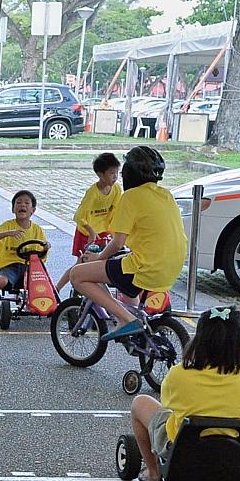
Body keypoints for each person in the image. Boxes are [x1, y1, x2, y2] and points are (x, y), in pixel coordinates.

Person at [127, 306, 240, 481]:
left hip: (183, 451)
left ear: (199, 341)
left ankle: (154, 473)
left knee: (140, 403)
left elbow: (167, 404)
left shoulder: (179, 374)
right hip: (236, 450)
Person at [61, 146, 185, 340]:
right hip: (172, 266)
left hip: (145, 266)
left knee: (78, 275)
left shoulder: (130, 197)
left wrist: (98, 258)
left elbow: (118, 243)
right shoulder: (166, 194)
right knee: (126, 286)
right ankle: (135, 330)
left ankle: (127, 319)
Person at [0, 190, 47, 318]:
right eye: (19, 203)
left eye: (27, 203)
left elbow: (42, 254)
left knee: (44, 282)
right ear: (13, 208)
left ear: (33, 210)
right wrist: (8, 233)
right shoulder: (7, 226)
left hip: (30, 267)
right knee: (1, 282)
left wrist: (46, 247)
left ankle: (50, 303)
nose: (23, 205)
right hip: (10, 266)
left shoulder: (37, 229)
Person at [72, 152, 121, 256]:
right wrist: (91, 232)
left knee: (103, 260)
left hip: (104, 232)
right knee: (83, 261)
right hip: (86, 233)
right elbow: (78, 216)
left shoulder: (116, 189)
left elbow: (115, 211)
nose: (115, 176)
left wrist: (113, 232)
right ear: (100, 175)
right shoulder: (92, 193)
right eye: (112, 173)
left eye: (117, 172)